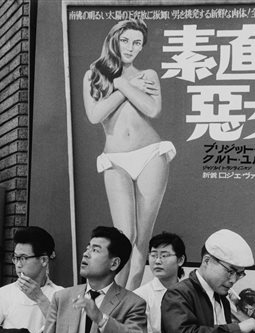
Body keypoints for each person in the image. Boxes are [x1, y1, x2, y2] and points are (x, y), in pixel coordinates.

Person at [83, 19, 176, 290]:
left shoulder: (147, 74)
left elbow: (152, 109)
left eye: (137, 42)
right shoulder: (94, 75)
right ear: (114, 39)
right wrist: (125, 86)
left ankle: (128, 299)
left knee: (142, 237)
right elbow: (95, 115)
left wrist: (124, 84)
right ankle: (113, 297)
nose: (131, 47)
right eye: (125, 40)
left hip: (150, 154)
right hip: (116, 159)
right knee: (125, 235)